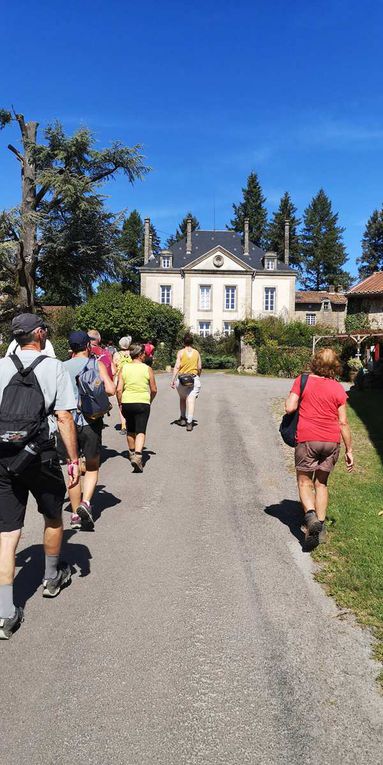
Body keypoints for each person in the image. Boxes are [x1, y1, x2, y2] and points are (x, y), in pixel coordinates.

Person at [0, 313, 80, 640]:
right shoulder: (54, 366)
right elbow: (63, 417)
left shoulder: (1, 366)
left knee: (7, 533)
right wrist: (73, 460)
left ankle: (5, 611)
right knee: (52, 517)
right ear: (39, 333)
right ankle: (51, 579)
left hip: (3, 456)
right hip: (41, 456)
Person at [284, 348, 353, 551]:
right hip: (332, 442)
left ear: (314, 362)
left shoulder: (302, 380)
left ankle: (311, 516)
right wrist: (349, 450)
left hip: (308, 439)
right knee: (321, 483)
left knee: (304, 481)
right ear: (335, 367)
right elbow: (343, 423)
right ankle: (320, 527)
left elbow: (289, 407)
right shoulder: (338, 388)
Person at [62, 331, 116, 530]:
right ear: (87, 346)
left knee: (73, 465)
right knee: (92, 466)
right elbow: (110, 389)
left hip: (66, 423)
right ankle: (86, 503)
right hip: (90, 421)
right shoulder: (95, 364)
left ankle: (75, 514)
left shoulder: (61, 367)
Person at [117, 343, 157, 472]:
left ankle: (131, 453)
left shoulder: (124, 368)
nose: (145, 355)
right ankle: (138, 456)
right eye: (144, 353)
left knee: (130, 429)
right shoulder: (147, 369)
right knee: (141, 430)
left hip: (127, 401)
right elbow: (154, 389)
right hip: (142, 402)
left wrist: (120, 402)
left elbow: (118, 389)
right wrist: (149, 400)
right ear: (140, 355)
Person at [171, 333, 202, 432]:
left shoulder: (180, 352)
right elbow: (199, 367)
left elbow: (176, 367)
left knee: (182, 398)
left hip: (182, 380)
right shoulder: (196, 353)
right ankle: (189, 422)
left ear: (183, 342)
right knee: (191, 400)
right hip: (193, 378)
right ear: (192, 342)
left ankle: (182, 418)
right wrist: (198, 375)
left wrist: (172, 380)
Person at [113, 336, 132, 434]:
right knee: (130, 401)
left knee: (120, 403)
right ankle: (131, 423)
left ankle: (123, 426)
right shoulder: (131, 354)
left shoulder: (116, 354)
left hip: (119, 381)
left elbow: (114, 369)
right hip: (130, 379)